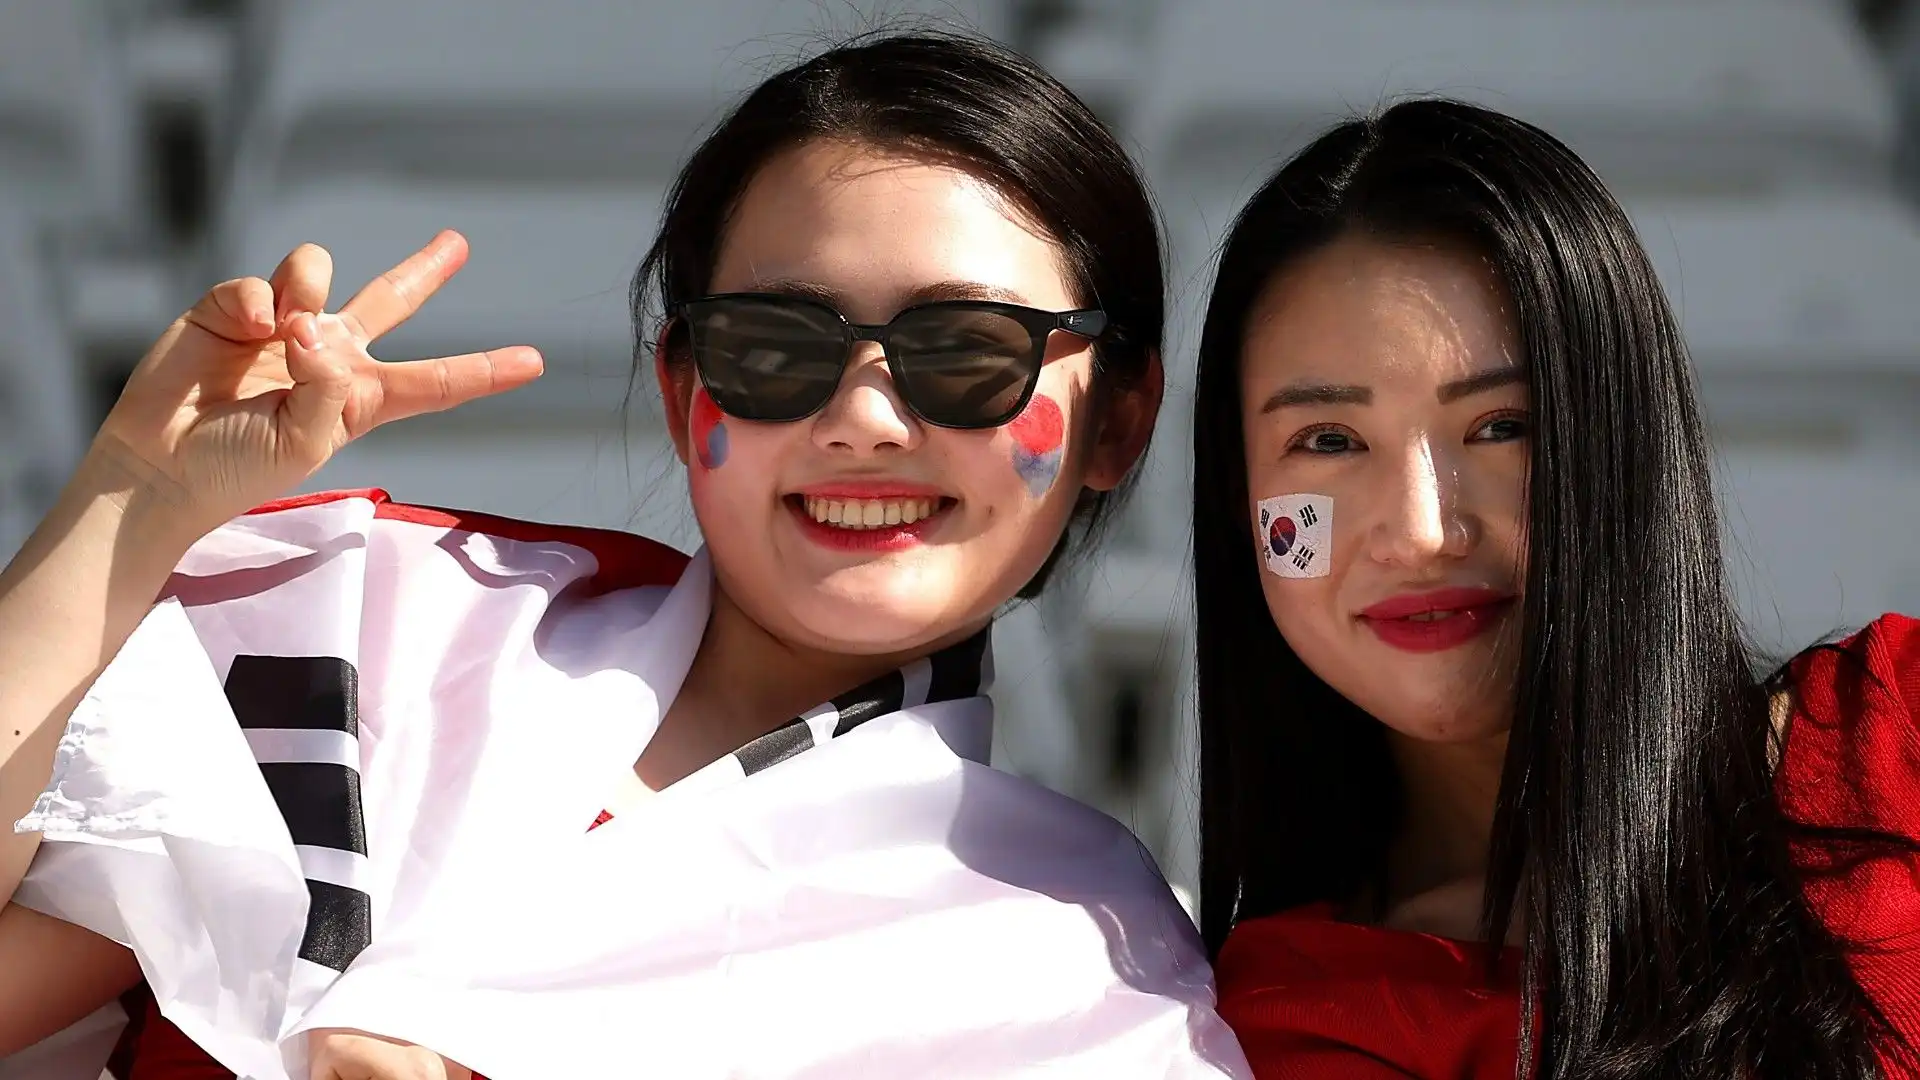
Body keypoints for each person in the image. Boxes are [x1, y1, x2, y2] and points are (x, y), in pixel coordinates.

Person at [0, 32, 1249, 1080]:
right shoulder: (369, 626)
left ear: (1118, 419)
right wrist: (130, 504)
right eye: (773, 347)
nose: (864, 417)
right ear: (680, 388)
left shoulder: (1095, 969)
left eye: (971, 352)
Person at [1189, 98, 1919, 1079]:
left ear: (1628, 442)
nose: (1421, 531)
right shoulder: (1295, 1021)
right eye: (1327, 441)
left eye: (1501, 426)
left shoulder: (1896, 730)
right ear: (1241, 499)